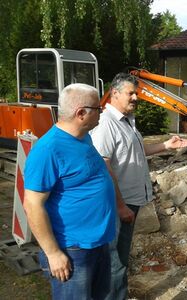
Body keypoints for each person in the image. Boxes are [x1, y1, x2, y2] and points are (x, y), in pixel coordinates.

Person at [90, 73, 187, 299]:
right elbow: (103, 167)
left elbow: (136, 151)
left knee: (121, 258)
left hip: (129, 202)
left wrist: (166, 144)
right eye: (131, 93)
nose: (136, 97)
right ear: (114, 94)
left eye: (137, 93)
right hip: (118, 205)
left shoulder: (127, 122)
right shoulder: (106, 124)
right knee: (115, 262)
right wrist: (120, 206)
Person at [23, 83, 116, 299]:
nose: (102, 112)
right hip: (73, 249)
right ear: (81, 113)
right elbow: (32, 205)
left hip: (98, 243)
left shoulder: (84, 137)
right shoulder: (48, 150)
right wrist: (54, 253)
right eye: (98, 108)